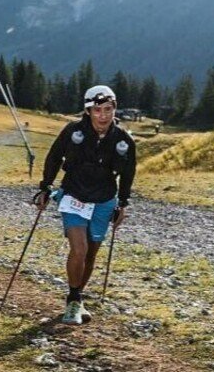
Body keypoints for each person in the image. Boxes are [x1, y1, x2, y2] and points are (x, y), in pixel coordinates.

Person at [34, 84, 136, 325]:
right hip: (74, 196)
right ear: (88, 111)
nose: (103, 115)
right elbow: (54, 157)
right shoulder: (73, 131)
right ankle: (72, 300)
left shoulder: (123, 140)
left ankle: (78, 299)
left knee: (90, 253)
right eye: (97, 109)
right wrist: (45, 187)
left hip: (104, 200)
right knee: (78, 249)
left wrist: (123, 203)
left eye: (108, 109)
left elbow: (129, 172)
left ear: (114, 110)